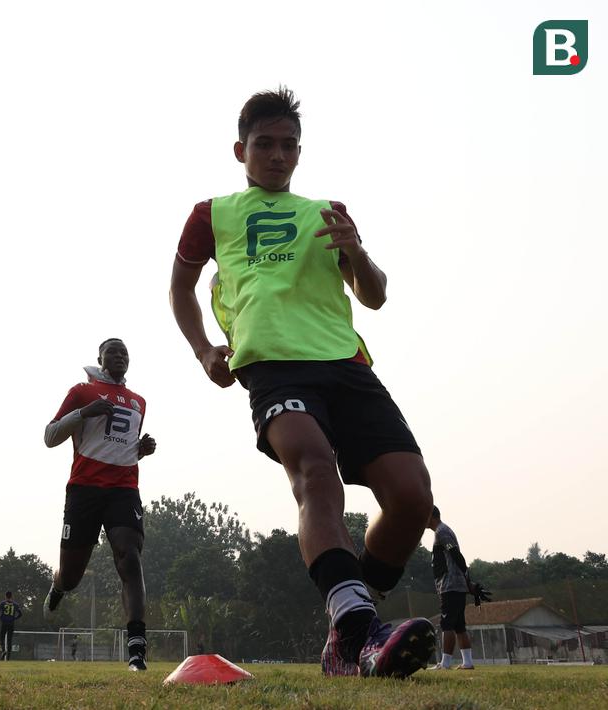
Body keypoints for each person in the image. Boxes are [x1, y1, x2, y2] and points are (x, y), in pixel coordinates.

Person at [168, 86, 436, 679]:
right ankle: (362, 629)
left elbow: (375, 296)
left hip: (346, 364)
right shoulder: (213, 213)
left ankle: (349, 620)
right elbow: (180, 287)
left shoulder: (327, 211)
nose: (278, 156)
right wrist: (203, 349)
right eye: (265, 144)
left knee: (413, 500)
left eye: (289, 146)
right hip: (271, 365)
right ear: (241, 149)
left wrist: (357, 253)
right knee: (314, 470)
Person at [43, 338, 156, 671]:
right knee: (74, 576)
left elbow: (117, 445)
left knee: (129, 557)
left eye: (125, 352)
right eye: (113, 351)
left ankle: (137, 647)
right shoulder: (82, 391)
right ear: (100, 358)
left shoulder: (138, 402)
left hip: (124, 489)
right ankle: (59, 583)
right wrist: (84, 413)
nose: (120, 355)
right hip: (84, 491)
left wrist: (140, 450)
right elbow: (50, 436)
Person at [428, 506, 483, 670]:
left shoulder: (441, 531)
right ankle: (468, 662)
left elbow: (456, 555)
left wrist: (468, 581)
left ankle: (445, 663)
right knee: (459, 625)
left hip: (450, 585)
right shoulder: (443, 531)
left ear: (431, 516)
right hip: (456, 585)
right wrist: (467, 583)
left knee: (447, 624)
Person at [0, 592, 22, 660]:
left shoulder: (2, 603)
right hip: (11, 623)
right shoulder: (15, 604)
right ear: (11, 596)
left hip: (4, 622)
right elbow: (20, 613)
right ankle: (8, 657)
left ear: (6, 596)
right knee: (9, 640)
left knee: (2, 637)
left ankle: (3, 650)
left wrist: (0, 617)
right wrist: (14, 618)